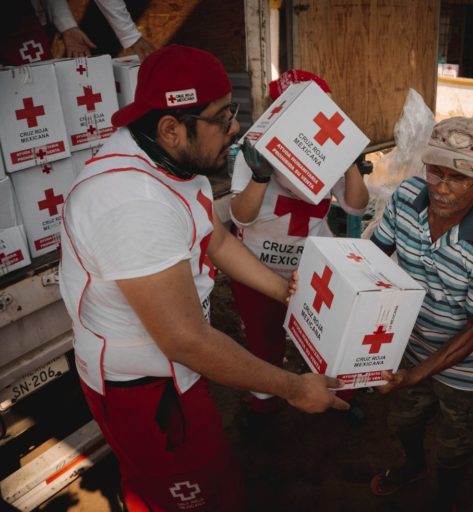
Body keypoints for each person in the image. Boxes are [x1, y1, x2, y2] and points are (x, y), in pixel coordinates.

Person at [58, 45, 347, 511]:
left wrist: (283, 292)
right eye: (221, 117)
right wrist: (294, 387)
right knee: (190, 495)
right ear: (171, 127)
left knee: (197, 477)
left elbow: (217, 240)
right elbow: (187, 339)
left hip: (173, 373)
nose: (235, 129)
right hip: (146, 391)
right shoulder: (134, 206)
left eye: (232, 111)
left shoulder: (172, 163)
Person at [368, 117, 473, 510]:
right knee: (402, 423)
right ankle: (413, 466)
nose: (441, 187)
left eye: (459, 177)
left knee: (455, 444)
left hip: (467, 369)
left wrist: (414, 375)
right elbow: (374, 255)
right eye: (435, 171)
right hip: (410, 343)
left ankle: (447, 496)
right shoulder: (406, 196)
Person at [229, 70, 369, 429]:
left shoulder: (328, 149)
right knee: (264, 339)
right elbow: (240, 218)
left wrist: (351, 163)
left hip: (312, 267)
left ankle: (338, 398)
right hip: (256, 267)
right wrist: (261, 177)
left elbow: (355, 207)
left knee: (329, 334)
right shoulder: (254, 146)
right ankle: (264, 404)